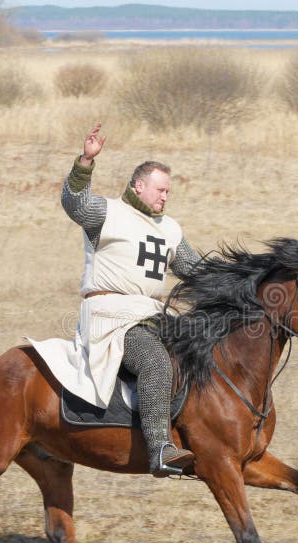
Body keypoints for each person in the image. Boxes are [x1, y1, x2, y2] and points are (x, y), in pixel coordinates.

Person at [61, 123, 198, 477]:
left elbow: (195, 271)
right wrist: (85, 162)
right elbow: (74, 203)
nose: (165, 197)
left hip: (151, 315)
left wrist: (244, 279)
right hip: (112, 317)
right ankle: (161, 451)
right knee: (155, 362)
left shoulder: (170, 229)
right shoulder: (108, 214)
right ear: (139, 186)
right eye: (160, 190)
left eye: (168, 191)